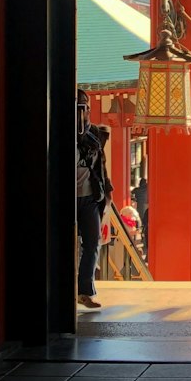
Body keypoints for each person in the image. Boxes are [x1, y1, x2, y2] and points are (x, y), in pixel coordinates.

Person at [76, 89, 111, 309]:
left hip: (89, 195)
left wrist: (107, 193)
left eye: (85, 108)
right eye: (79, 108)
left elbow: (102, 167)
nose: (83, 113)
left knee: (92, 242)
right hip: (63, 196)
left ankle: (85, 291)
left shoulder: (95, 136)